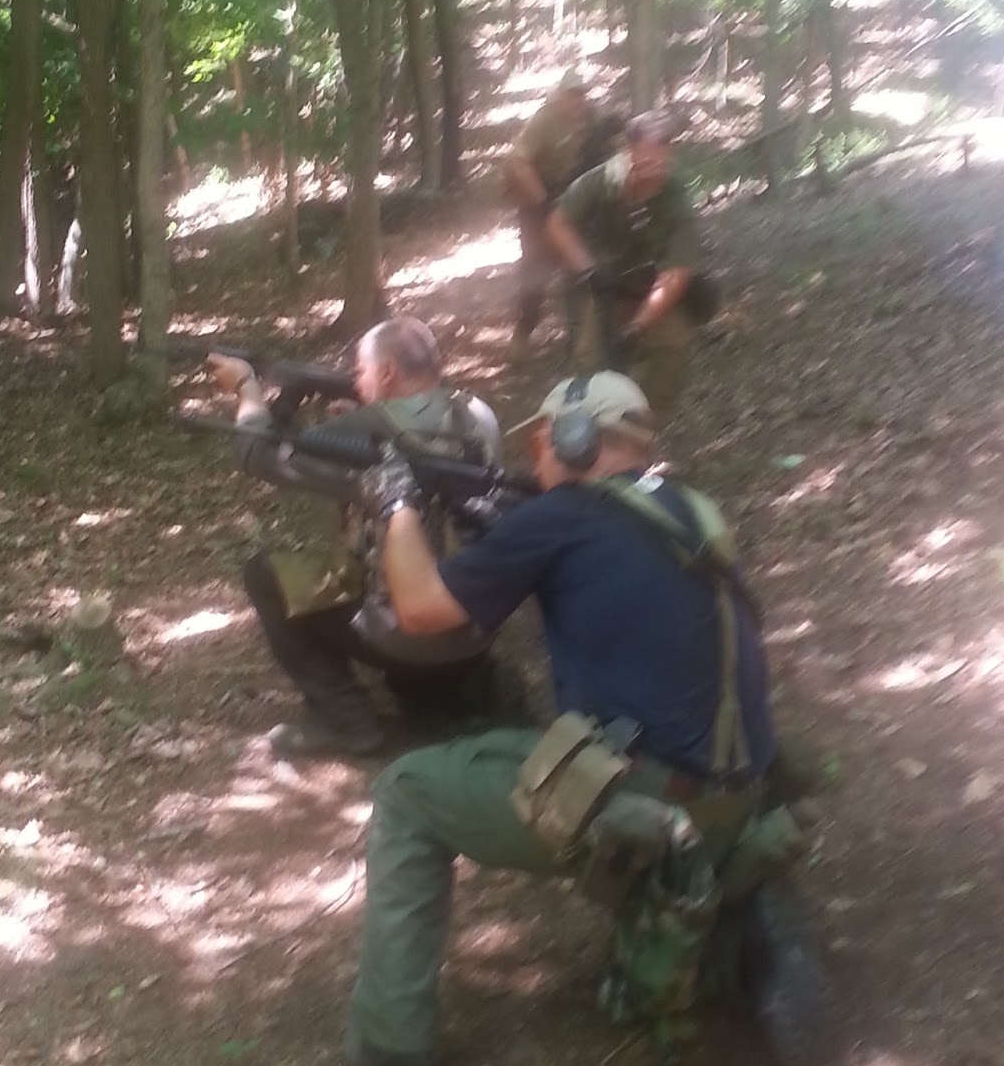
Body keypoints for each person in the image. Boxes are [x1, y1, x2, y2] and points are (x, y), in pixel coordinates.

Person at [342, 371, 787, 1066]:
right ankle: (708, 925)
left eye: (540, 443)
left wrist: (396, 502)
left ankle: (393, 1053)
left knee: (405, 794)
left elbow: (419, 608)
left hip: (644, 808)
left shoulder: (564, 516)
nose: (534, 458)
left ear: (573, 440)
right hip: (739, 800)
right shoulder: (693, 511)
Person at [208, 317, 504, 761]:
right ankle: (444, 693)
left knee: (264, 574)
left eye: (360, 372)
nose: (355, 381)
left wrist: (248, 390)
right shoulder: (478, 414)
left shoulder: (366, 428)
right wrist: (357, 421)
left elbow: (259, 455)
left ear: (387, 372)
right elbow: (415, 438)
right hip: (474, 628)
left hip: (406, 634)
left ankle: (346, 721)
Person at [543, 110, 707, 419]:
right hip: (600, 287)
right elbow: (557, 224)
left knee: (671, 348)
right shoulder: (601, 182)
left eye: (662, 156)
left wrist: (636, 328)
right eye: (646, 157)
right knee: (589, 365)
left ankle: (642, 430)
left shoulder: (676, 198)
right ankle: (586, 433)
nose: (654, 167)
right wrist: (589, 271)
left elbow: (676, 275)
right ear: (629, 151)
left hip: (647, 291)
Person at [500, 73, 623, 361]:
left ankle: (580, 339)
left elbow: (617, 153)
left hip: (575, 201)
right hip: (538, 201)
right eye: (572, 95)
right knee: (535, 273)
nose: (578, 101)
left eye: (582, 94)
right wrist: (544, 203)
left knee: (579, 267)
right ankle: (523, 330)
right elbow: (517, 163)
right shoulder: (544, 121)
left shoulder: (595, 119)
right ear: (559, 96)